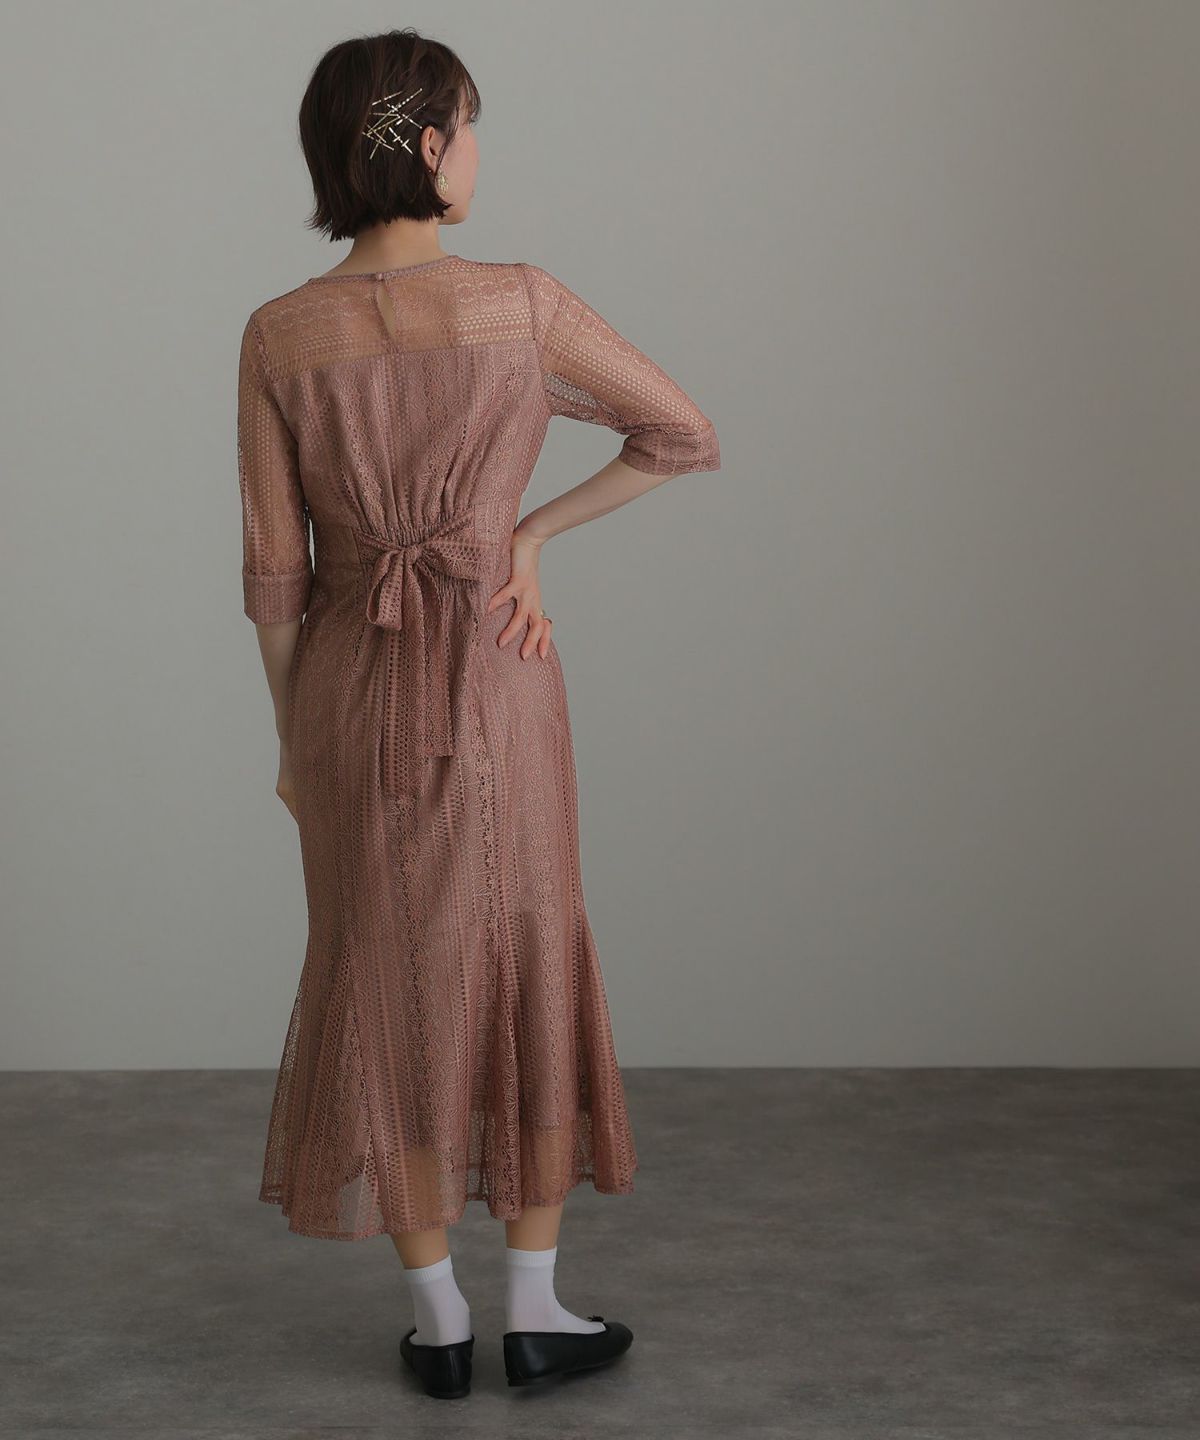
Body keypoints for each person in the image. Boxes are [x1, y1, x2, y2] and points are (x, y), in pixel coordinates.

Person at [237, 27, 720, 1399]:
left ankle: (439, 1320)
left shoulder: (280, 335)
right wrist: (525, 537)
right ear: (433, 144)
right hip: (498, 673)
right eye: (472, 126)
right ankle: (537, 1309)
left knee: (379, 966)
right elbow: (681, 430)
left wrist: (291, 741)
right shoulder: (520, 305)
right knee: (520, 952)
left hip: (349, 689)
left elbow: (276, 580)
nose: (478, 152)